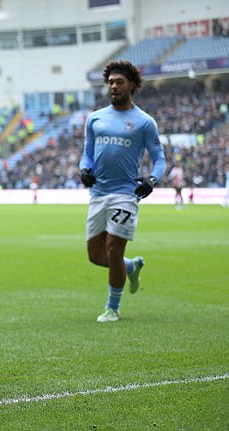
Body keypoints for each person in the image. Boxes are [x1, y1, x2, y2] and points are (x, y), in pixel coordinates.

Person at [79, 60, 166, 323]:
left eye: (119, 82)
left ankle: (113, 308)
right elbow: (87, 154)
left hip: (126, 194)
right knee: (96, 256)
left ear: (132, 85)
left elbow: (159, 158)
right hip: (98, 193)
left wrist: (151, 180)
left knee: (114, 249)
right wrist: (84, 169)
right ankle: (130, 266)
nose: (113, 86)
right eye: (110, 82)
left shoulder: (144, 122)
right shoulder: (95, 118)